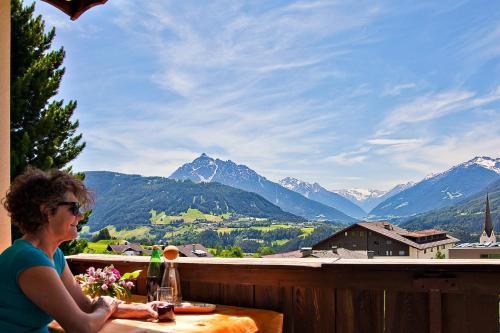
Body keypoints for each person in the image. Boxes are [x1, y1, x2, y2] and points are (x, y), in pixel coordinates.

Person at [0, 168, 159, 333]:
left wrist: (143, 308)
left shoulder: (54, 255)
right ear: (46, 211)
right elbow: (81, 327)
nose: (81, 216)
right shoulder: (29, 259)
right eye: (74, 209)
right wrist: (107, 307)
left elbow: (86, 307)